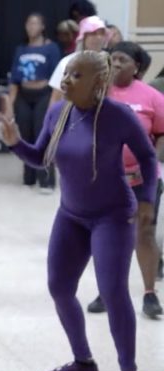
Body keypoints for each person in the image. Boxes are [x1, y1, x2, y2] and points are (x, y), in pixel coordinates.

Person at [0, 50, 156, 371]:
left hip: (112, 216)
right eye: (66, 73)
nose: (66, 80)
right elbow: (41, 158)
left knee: (113, 291)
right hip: (71, 215)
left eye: (76, 75)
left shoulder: (118, 116)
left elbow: (147, 156)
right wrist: (15, 143)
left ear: (98, 82)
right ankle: (84, 363)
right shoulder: (58, 113)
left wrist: (146, 200)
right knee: (59, 287)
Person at [85, 42, 163, 319]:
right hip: (105, 179)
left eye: (122, 59)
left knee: (144, 233)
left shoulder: (152, 96)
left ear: (136, 66)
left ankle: (150, 294)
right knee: (106, 236)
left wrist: (150, 162)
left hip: (142, 179)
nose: (116, 64)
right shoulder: (95, 93)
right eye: (112, 59)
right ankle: (107, 292)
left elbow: (161, 133)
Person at [8, 13, 62, 190]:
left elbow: (57, 78)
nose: (31, 27)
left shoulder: (51, 48)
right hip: (24, 95)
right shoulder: (21, 49)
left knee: (42, 134)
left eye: (35, 23)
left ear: (42, 27)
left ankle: (46, 180)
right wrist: (10, 104)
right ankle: (29, 178)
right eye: (29, 23)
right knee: (25, 135)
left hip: (44, 94)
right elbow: (14, 79)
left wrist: (53, 104)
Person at [50, 16, 109, 106]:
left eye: (101, 33)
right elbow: (55, 98)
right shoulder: (67, 62)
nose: (97, 37)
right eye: (92, 34)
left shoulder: (109, 62)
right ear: (83, 37)